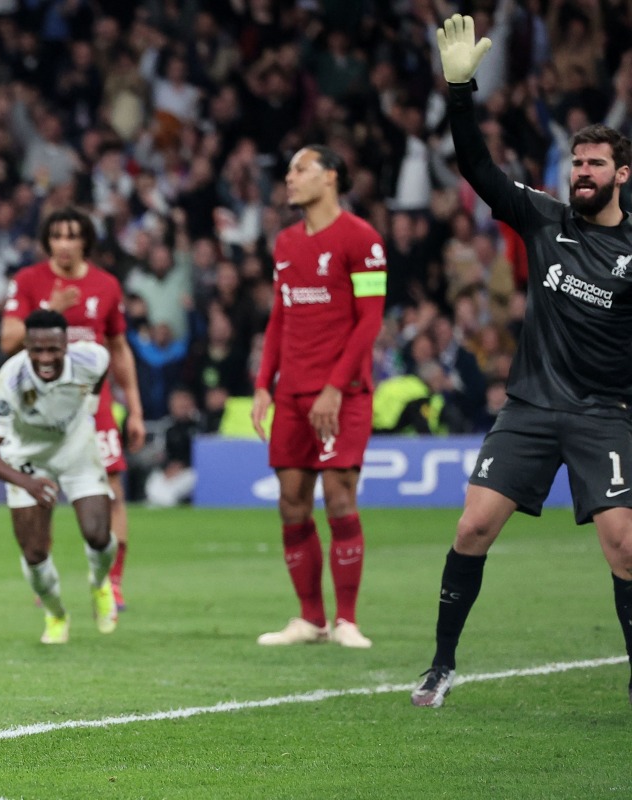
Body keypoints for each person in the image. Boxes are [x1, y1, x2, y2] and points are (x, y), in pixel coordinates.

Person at [412, 16, 632, 708]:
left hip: (605, 414)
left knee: (624, 547)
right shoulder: (545, 219)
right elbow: (477, 166)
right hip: (532, 406)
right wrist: (458, 91)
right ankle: (441, 663)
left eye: (596, 164)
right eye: (577, 162)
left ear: (622, 175)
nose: (583, 173)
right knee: (472, 527)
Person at [249, 144, 387, 649]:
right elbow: (280, 316)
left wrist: (335, 387)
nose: (290, 177)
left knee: (339, 495)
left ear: (331, 177)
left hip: (343, 393)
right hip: (292, 393)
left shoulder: (363, 239)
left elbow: (370, 320)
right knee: (291, 501)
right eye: (288, 169)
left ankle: (346, 619)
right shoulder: (285, 242)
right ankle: (311, 619)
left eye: (300, 169)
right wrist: (264, 382)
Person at [0, 207, 145, 610]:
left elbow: (119, 349)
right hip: (40, 412)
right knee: (41, 498)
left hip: (93, 409)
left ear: (85, 241)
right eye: (57, 236)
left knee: (112, 494)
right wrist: (53, 307)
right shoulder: (28, 281)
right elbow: (8, 339)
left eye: (72, 235)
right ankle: (44, 580)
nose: (64, 244)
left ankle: (111, 584)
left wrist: (134, 408)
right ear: (48, 241)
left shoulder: (107, 285)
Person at [0, 309, 119, 644]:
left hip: (75, 448)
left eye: (53, 349)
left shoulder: (93, 357)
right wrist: (27, 482)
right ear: (25, 345)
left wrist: (92, 407)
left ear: (66, 345)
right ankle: (56, 614)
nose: (45, 358)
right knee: (35, 553)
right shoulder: (10, 379)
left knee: (98, 535)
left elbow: (102, 371)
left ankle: (100, 583)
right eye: (37, 349)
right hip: (27, 459)